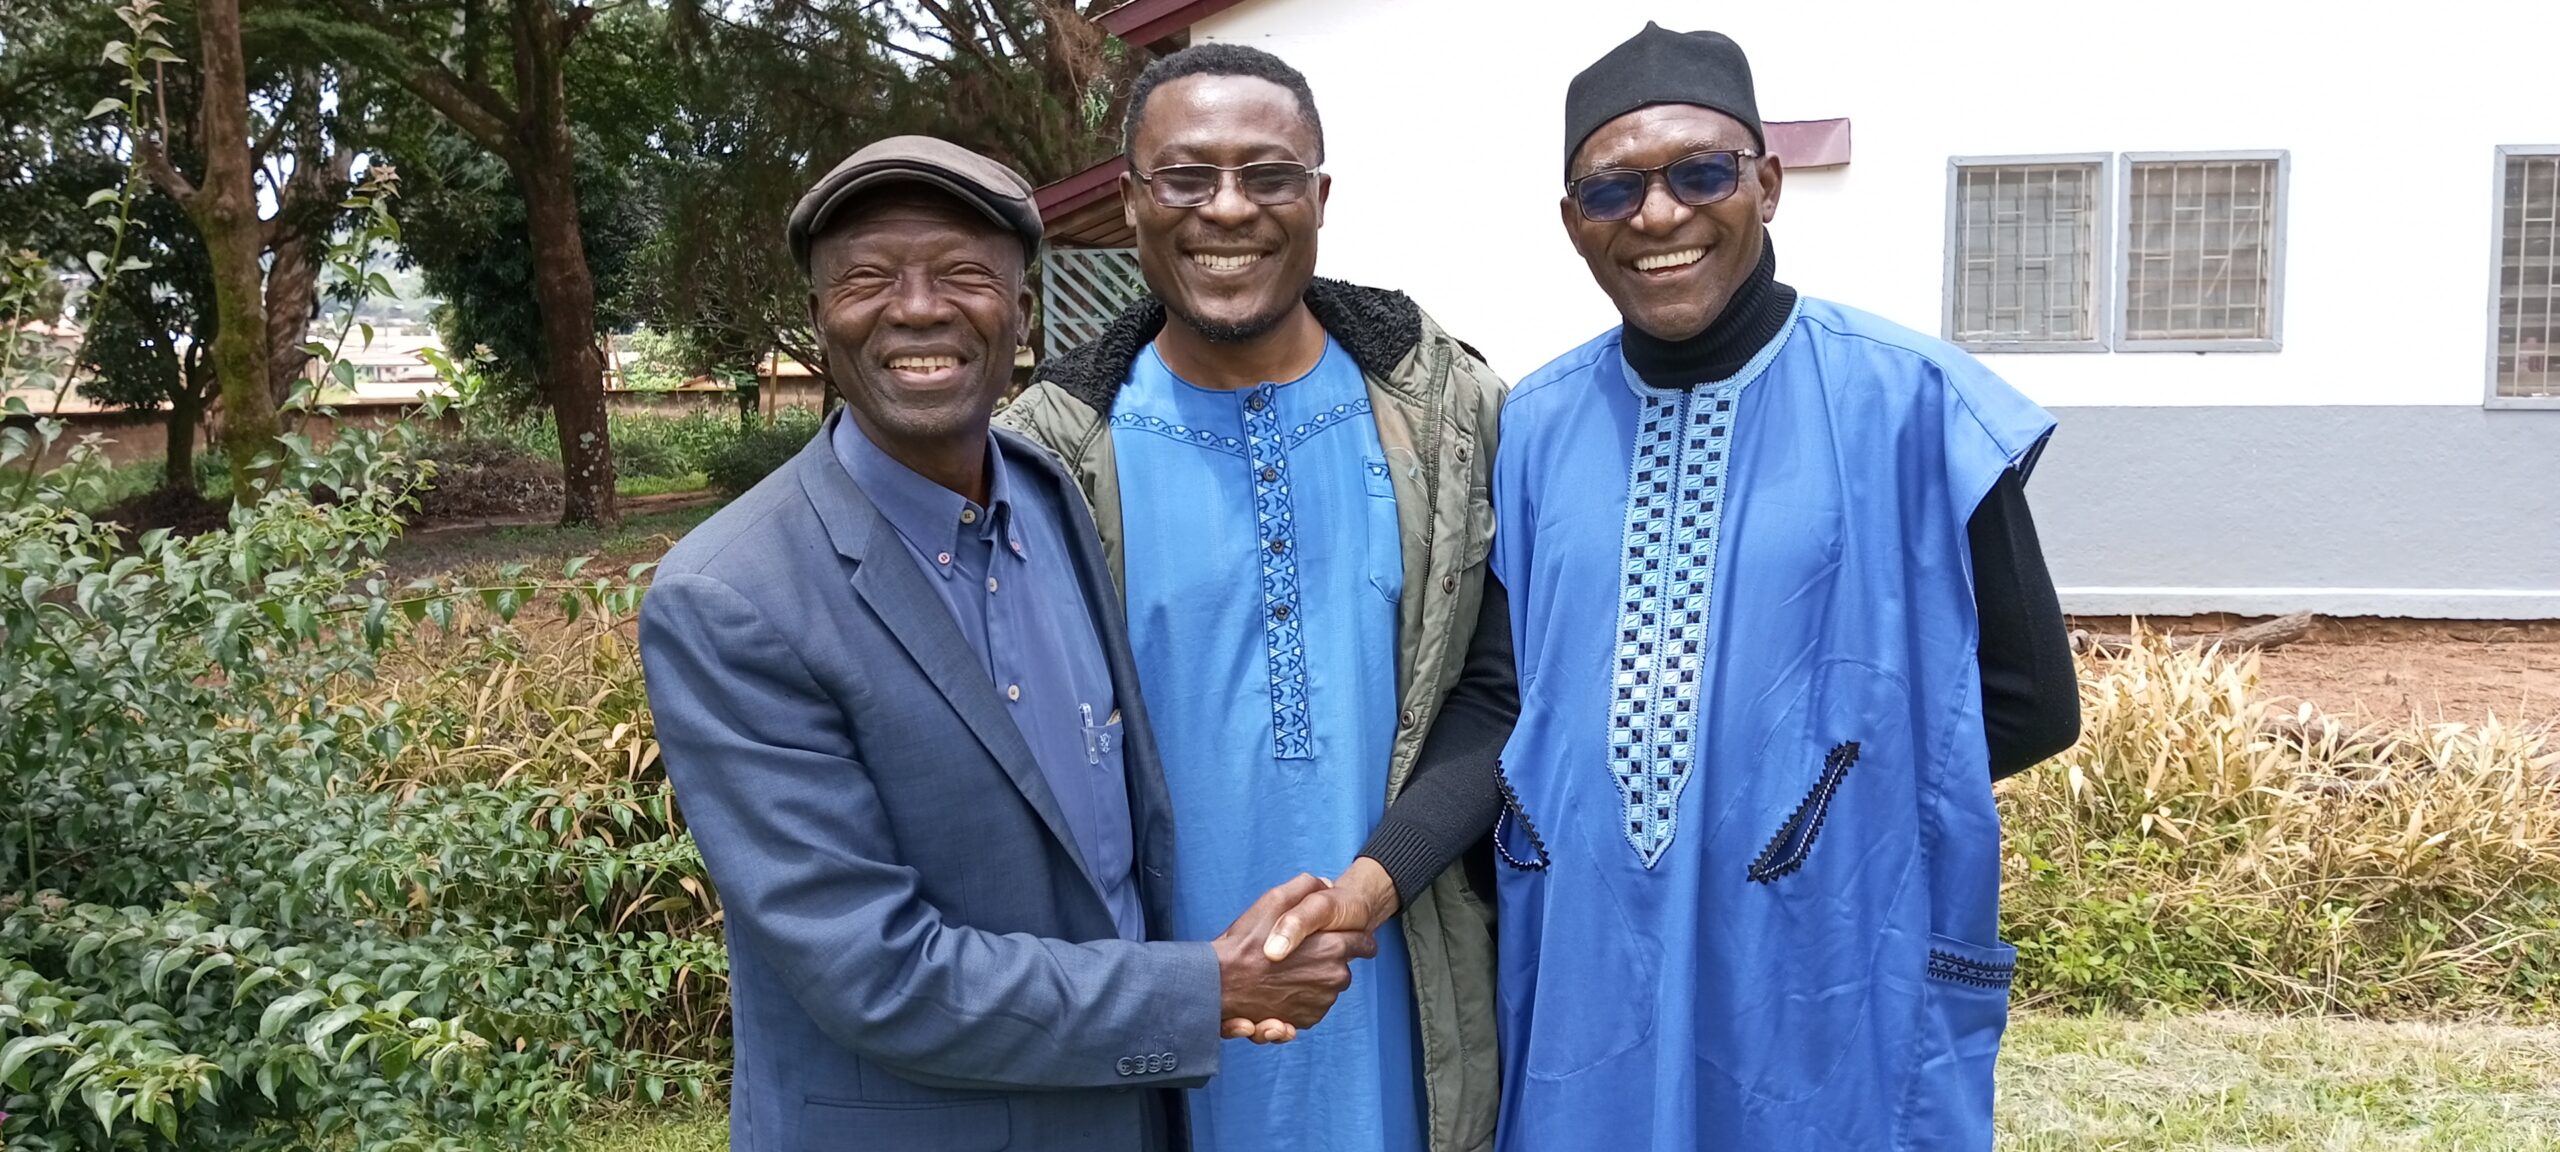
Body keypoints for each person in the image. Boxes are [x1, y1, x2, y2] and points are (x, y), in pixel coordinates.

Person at [639, 136, 1378, 1152]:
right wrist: (1209, 988)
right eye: (867, 279)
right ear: (818, 320)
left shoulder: (1042, 491)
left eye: (963, 274)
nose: (917, 308)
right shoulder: (734, 597)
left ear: (1020, 313)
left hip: (1120, 1117)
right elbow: (877, 974)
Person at [1486, 25, 2081, 1152]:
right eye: (1613, 189)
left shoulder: (1915, 404)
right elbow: (1511, 696)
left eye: (1700, 174)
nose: (1658, 215)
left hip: (1823, 947)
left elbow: (2030, 703)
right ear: (1572, 220)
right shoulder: (1534, 426)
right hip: (1587, 949)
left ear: (1765, 184)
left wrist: (1819, 810)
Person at [1000, 43, 1510, 1152]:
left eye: (1267, 174)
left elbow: (1498, 692)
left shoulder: (1449, 416)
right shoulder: (1044, 458)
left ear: (1320, 196)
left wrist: (1369, 889)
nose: (1227, 208)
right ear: (1131, 201)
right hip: (1161, 1033)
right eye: (1187, 176)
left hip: (1399, 1006)